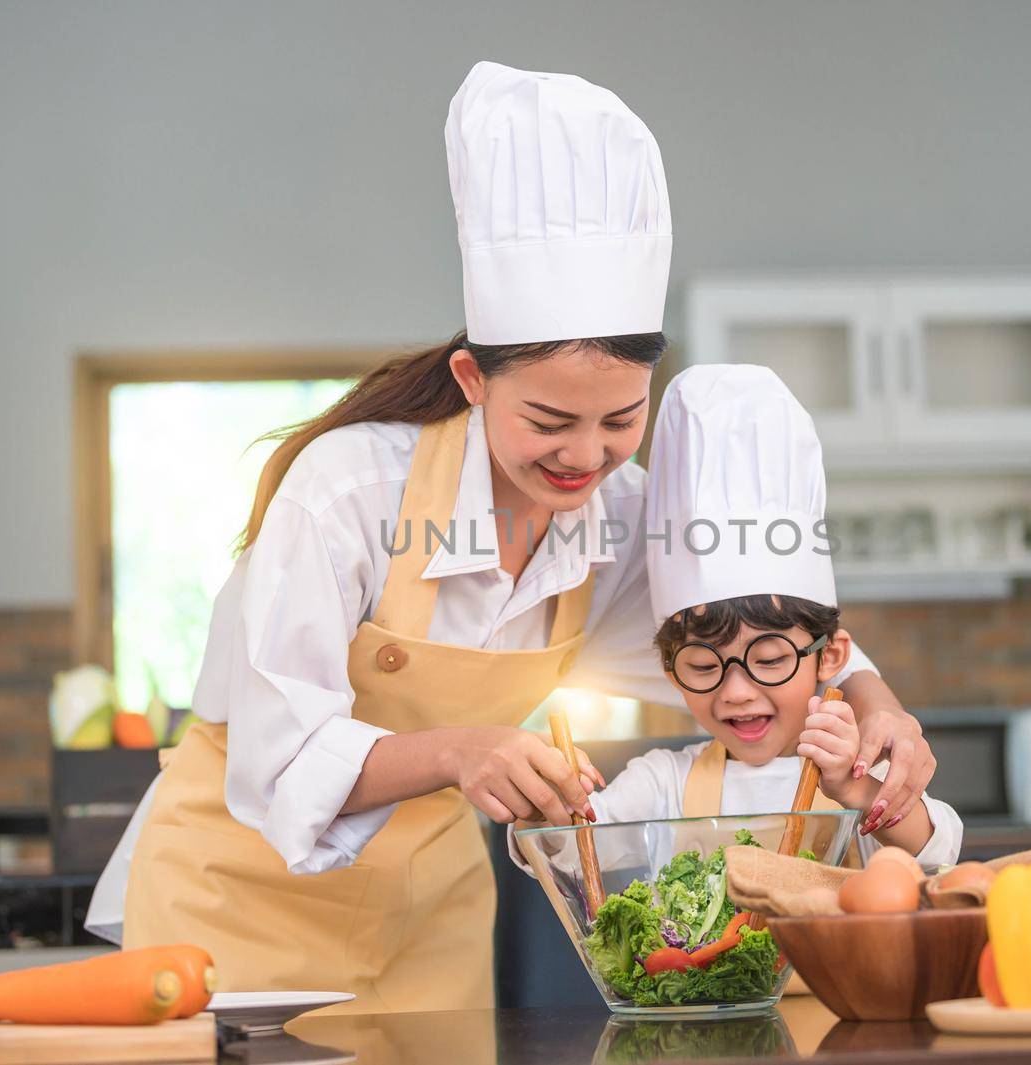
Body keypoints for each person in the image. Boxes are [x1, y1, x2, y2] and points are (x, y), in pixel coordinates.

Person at [87, 61, 935, 1014]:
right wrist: (462, 751)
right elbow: (282, 755)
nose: (587, 456)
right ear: (474, 377)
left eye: (620, 420)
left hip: (428, 920)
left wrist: (876, 704)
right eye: (549, 421)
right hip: (233, 909)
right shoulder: (350, 491)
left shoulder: (620, 516)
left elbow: (748, 642)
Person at [512, 365, 963, 868]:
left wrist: (857, 789)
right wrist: (546, 801)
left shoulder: (854, 776)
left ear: (830, 655)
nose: (736, 693)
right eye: (704, 667)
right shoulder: (665, 782)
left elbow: (939, 851)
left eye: (770, 660)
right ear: (670, 673)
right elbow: (565, 852)